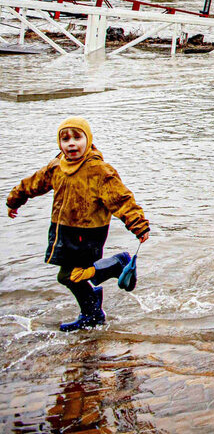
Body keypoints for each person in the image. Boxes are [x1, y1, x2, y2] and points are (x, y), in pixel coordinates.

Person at [6, 118, 150, 331]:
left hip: (88, 232)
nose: (71, 143)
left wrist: (138, 224)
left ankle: (116, 266)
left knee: (71, 275)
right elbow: (33, 183)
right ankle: (92, 313)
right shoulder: (57, 166)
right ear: (59, 143)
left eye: (77, 137)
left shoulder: (98, 170)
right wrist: (14, 200)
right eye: (65, 139)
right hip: (63, 231)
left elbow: (121, 199)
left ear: (88, 139)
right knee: (67, 276)